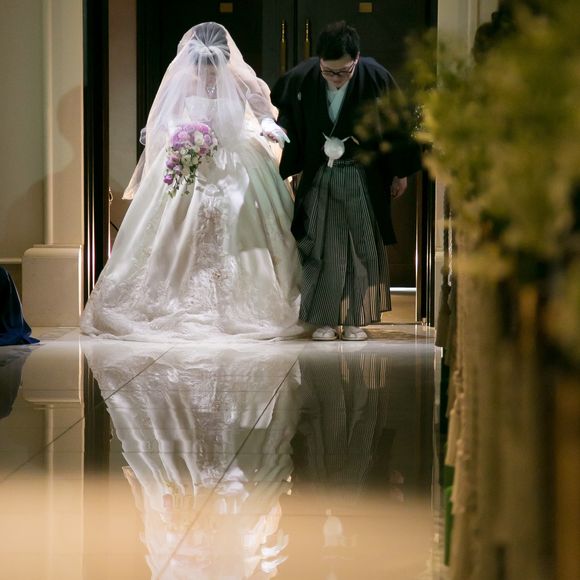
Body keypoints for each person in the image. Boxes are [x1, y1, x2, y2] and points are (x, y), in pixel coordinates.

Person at [81, 22, 304, 342]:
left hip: (236, 157)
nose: (210, 76)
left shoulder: (243, 80)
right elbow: (165, 121)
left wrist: (269, 128)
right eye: (204, 69)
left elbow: (265, 115)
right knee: (178, 219)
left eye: (214, 69)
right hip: (193, 155)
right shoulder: (183, 81)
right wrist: (184, 139)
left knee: (239, 210)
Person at [271, 21, 421, 341]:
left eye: (343, 72)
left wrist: (400, 172)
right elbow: (289, 118)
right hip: (321, 172)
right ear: (319, 62)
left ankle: (356, 318)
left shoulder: (376, 77)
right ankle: (324, 319)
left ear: (357, 59)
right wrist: (290, 155)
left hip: (361, 173)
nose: (335, 78)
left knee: (361, 246)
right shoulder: (304, 77)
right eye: (328, 71)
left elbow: (397, 125)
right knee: (320, 246)